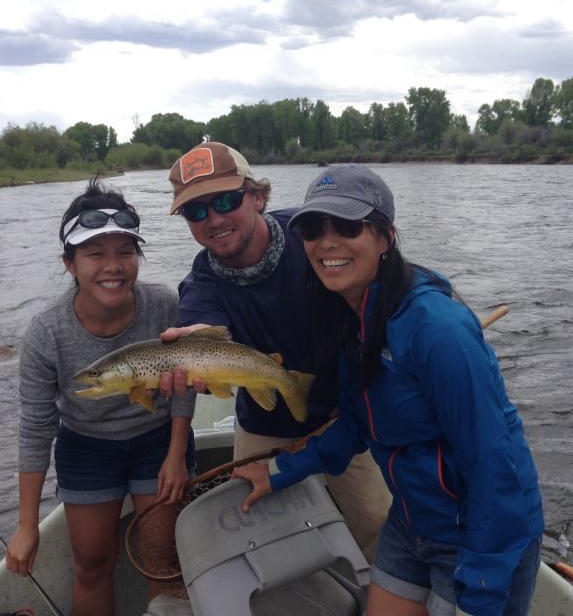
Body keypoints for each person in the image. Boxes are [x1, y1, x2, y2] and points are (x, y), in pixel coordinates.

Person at [232, 164, 545, 616]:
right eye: (314, 228)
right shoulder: (348, 317)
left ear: (384, 236)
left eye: (346, 224)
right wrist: (280, 470)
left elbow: (495, 467)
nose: (327, 241)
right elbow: (356, 424)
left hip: (476, 533)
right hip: (410, 520)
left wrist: (481, 586)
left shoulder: (438, 330)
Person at [162, 142, 391, 560]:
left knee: (377, 524)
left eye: (226, 200)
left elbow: (382, 282)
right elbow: (203, 329)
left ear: (258, 196)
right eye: (196, 211)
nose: (213, 219)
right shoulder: (201, 287)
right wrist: (195, 345)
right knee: (260, 539)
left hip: (347, 415)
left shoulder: (312, 238)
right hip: (265, 422)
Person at [5, 179, 196, 616]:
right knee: (90, 565)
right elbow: (36, 427)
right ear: (70, 264)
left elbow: (184, 383)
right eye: (96, 254)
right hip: (86, 447)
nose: (114, 267)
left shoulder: (163, 303)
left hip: (158, 439)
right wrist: (26, 525)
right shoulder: (45, 332)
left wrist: (177, 454)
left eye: (125, 252)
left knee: (164, 561)